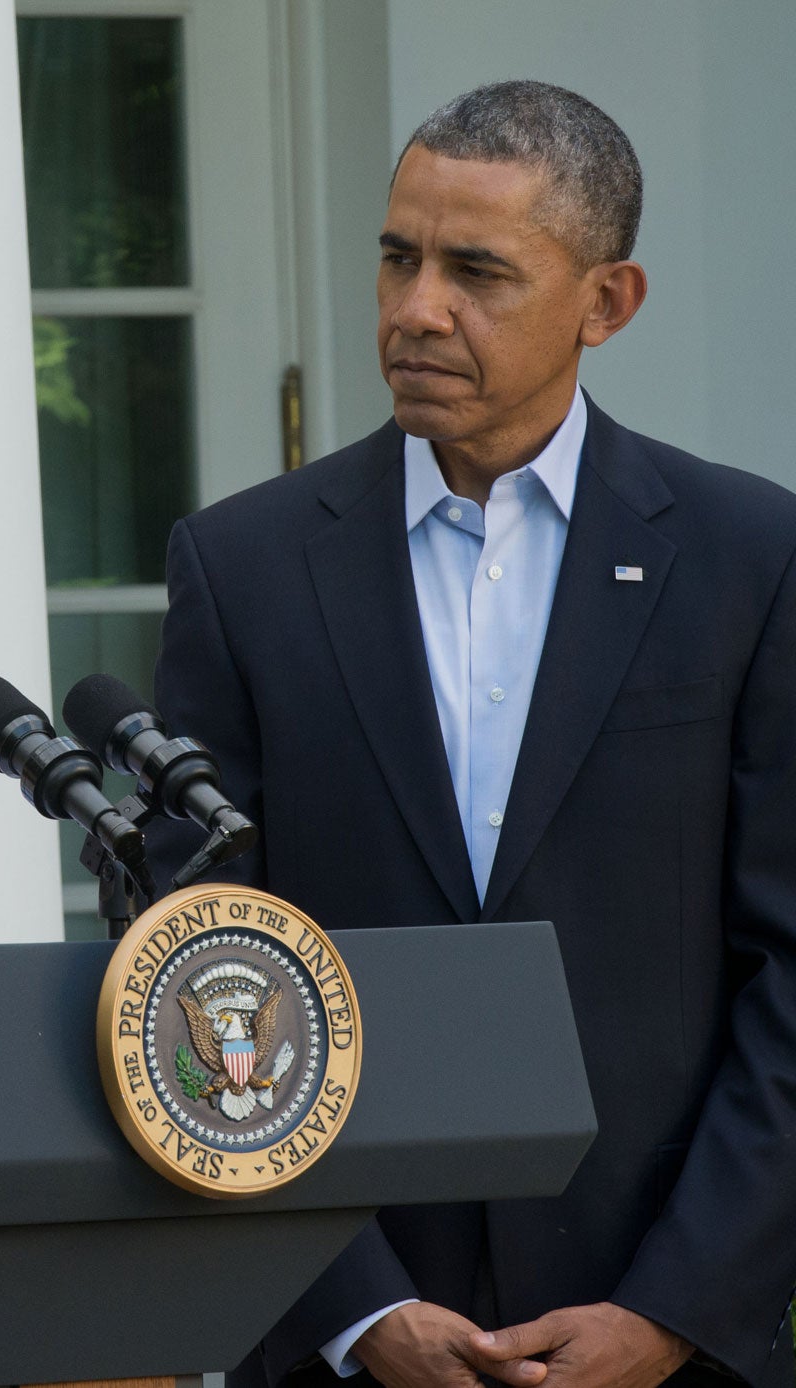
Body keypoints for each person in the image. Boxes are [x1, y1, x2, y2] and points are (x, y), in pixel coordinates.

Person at [147, 81, 796, 1388]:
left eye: (476, 270)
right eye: (398, 257)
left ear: (607, 303)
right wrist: (353, 1306)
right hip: (347, 1337)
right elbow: (196, 950)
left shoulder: (752, 558)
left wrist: (674, 1308)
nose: (415, 309)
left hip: (668, 1332)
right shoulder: (243, 567)